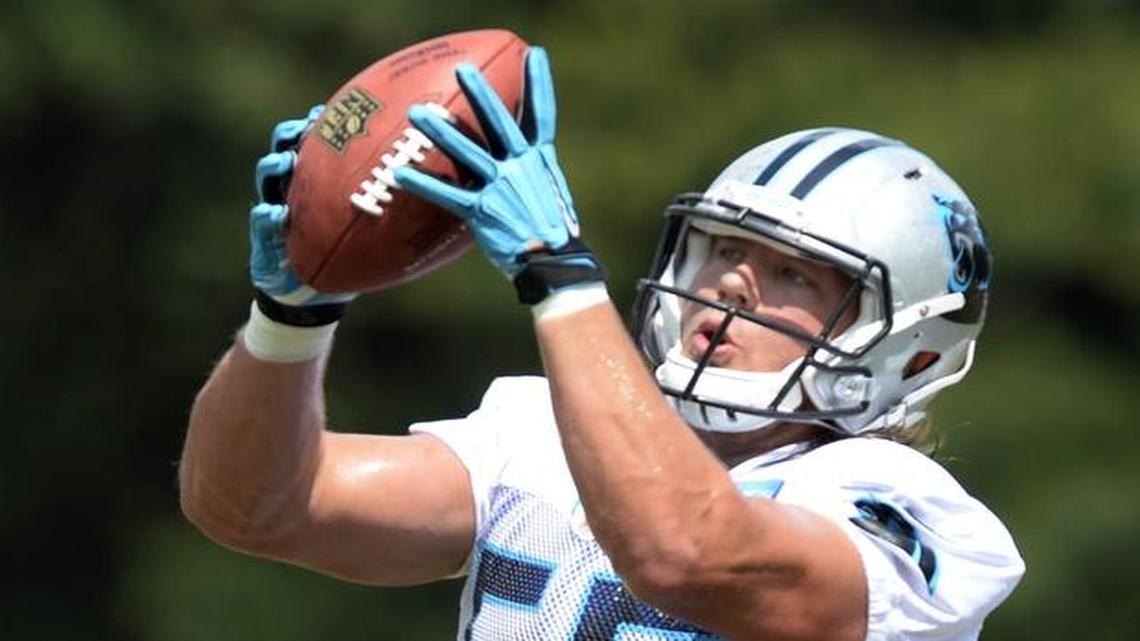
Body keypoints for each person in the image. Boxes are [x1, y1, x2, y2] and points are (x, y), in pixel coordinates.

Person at [181, 47, 1024, 641]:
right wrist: (292, 314)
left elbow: (690, 552)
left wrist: (559, 277)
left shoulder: (913, 513)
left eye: (796, 275)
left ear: (910, 350)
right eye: (726, 249)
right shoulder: (543, 429)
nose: (732, 284)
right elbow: (254, 506)